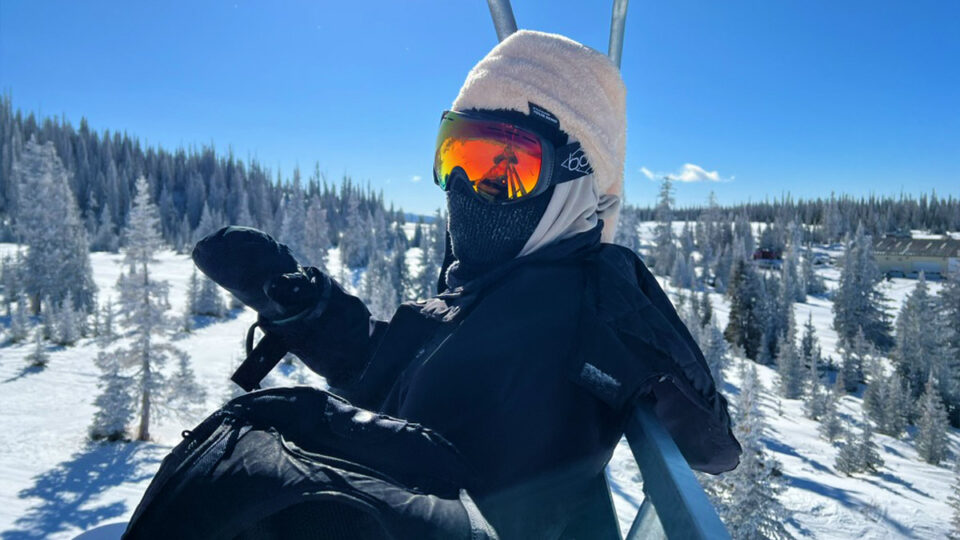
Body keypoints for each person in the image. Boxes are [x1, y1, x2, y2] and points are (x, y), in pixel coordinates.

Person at [195, 30, 740, 539]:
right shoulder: (482, 283)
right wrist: (310, 311)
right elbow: (393, 378)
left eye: (507, 166)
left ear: (579, 183)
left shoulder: (586, 298)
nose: (465, 188)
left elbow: (711, 446)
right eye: (456, 156)